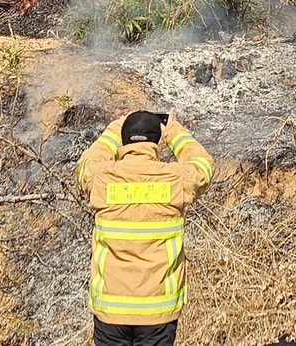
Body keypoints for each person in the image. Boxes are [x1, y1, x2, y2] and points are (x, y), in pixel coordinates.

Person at [75, 109, 215, 346]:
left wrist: (115, 128)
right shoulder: (175, 179)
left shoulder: (100, 176)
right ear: (157, 142)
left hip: (111, 309)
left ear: (123, 139)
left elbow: (86, 163)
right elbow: (204, 167)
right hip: (158, 310)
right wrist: (174, 132)